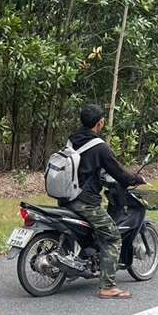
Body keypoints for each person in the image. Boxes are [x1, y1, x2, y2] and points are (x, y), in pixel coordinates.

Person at [64, 104, 145, 299]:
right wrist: (137, 179)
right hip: (85, 202)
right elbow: (119, 172)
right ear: (100, 123)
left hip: (66, 197)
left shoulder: (72, 140)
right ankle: (108, 286)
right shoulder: (100, 147)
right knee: (112, 236)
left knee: (94, 230)